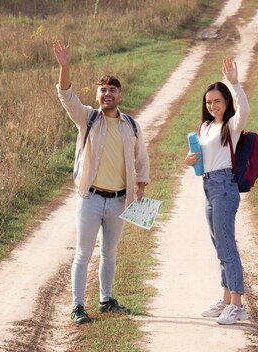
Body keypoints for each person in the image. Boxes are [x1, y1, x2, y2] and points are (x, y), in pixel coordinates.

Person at [52, 40, 150, 325]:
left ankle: (106, 300)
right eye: (103, 90)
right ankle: (78, 306)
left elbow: (140, 157)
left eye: (112, 90)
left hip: (120, 200)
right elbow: (66, 96)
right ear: (97, 94)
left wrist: (141, 185)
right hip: (91, 199)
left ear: (120, 95)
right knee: (83, 254)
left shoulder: (130, 124)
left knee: (110, 253)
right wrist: (64, 66)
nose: (107, 94)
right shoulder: (88, 118)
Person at [184, 57, 250, 325]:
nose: (212, 106)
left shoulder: (230, 126)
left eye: (217, 102)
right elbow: (202, 156)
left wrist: (235, 83)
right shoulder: (205, 127)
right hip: (209, 185)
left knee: (227, 245)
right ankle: (225, 299)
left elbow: (244, 110)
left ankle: (237, 305)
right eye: (209, 102)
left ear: (226, 103)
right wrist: (191, 159)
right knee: (218, 244)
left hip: (225, 187)